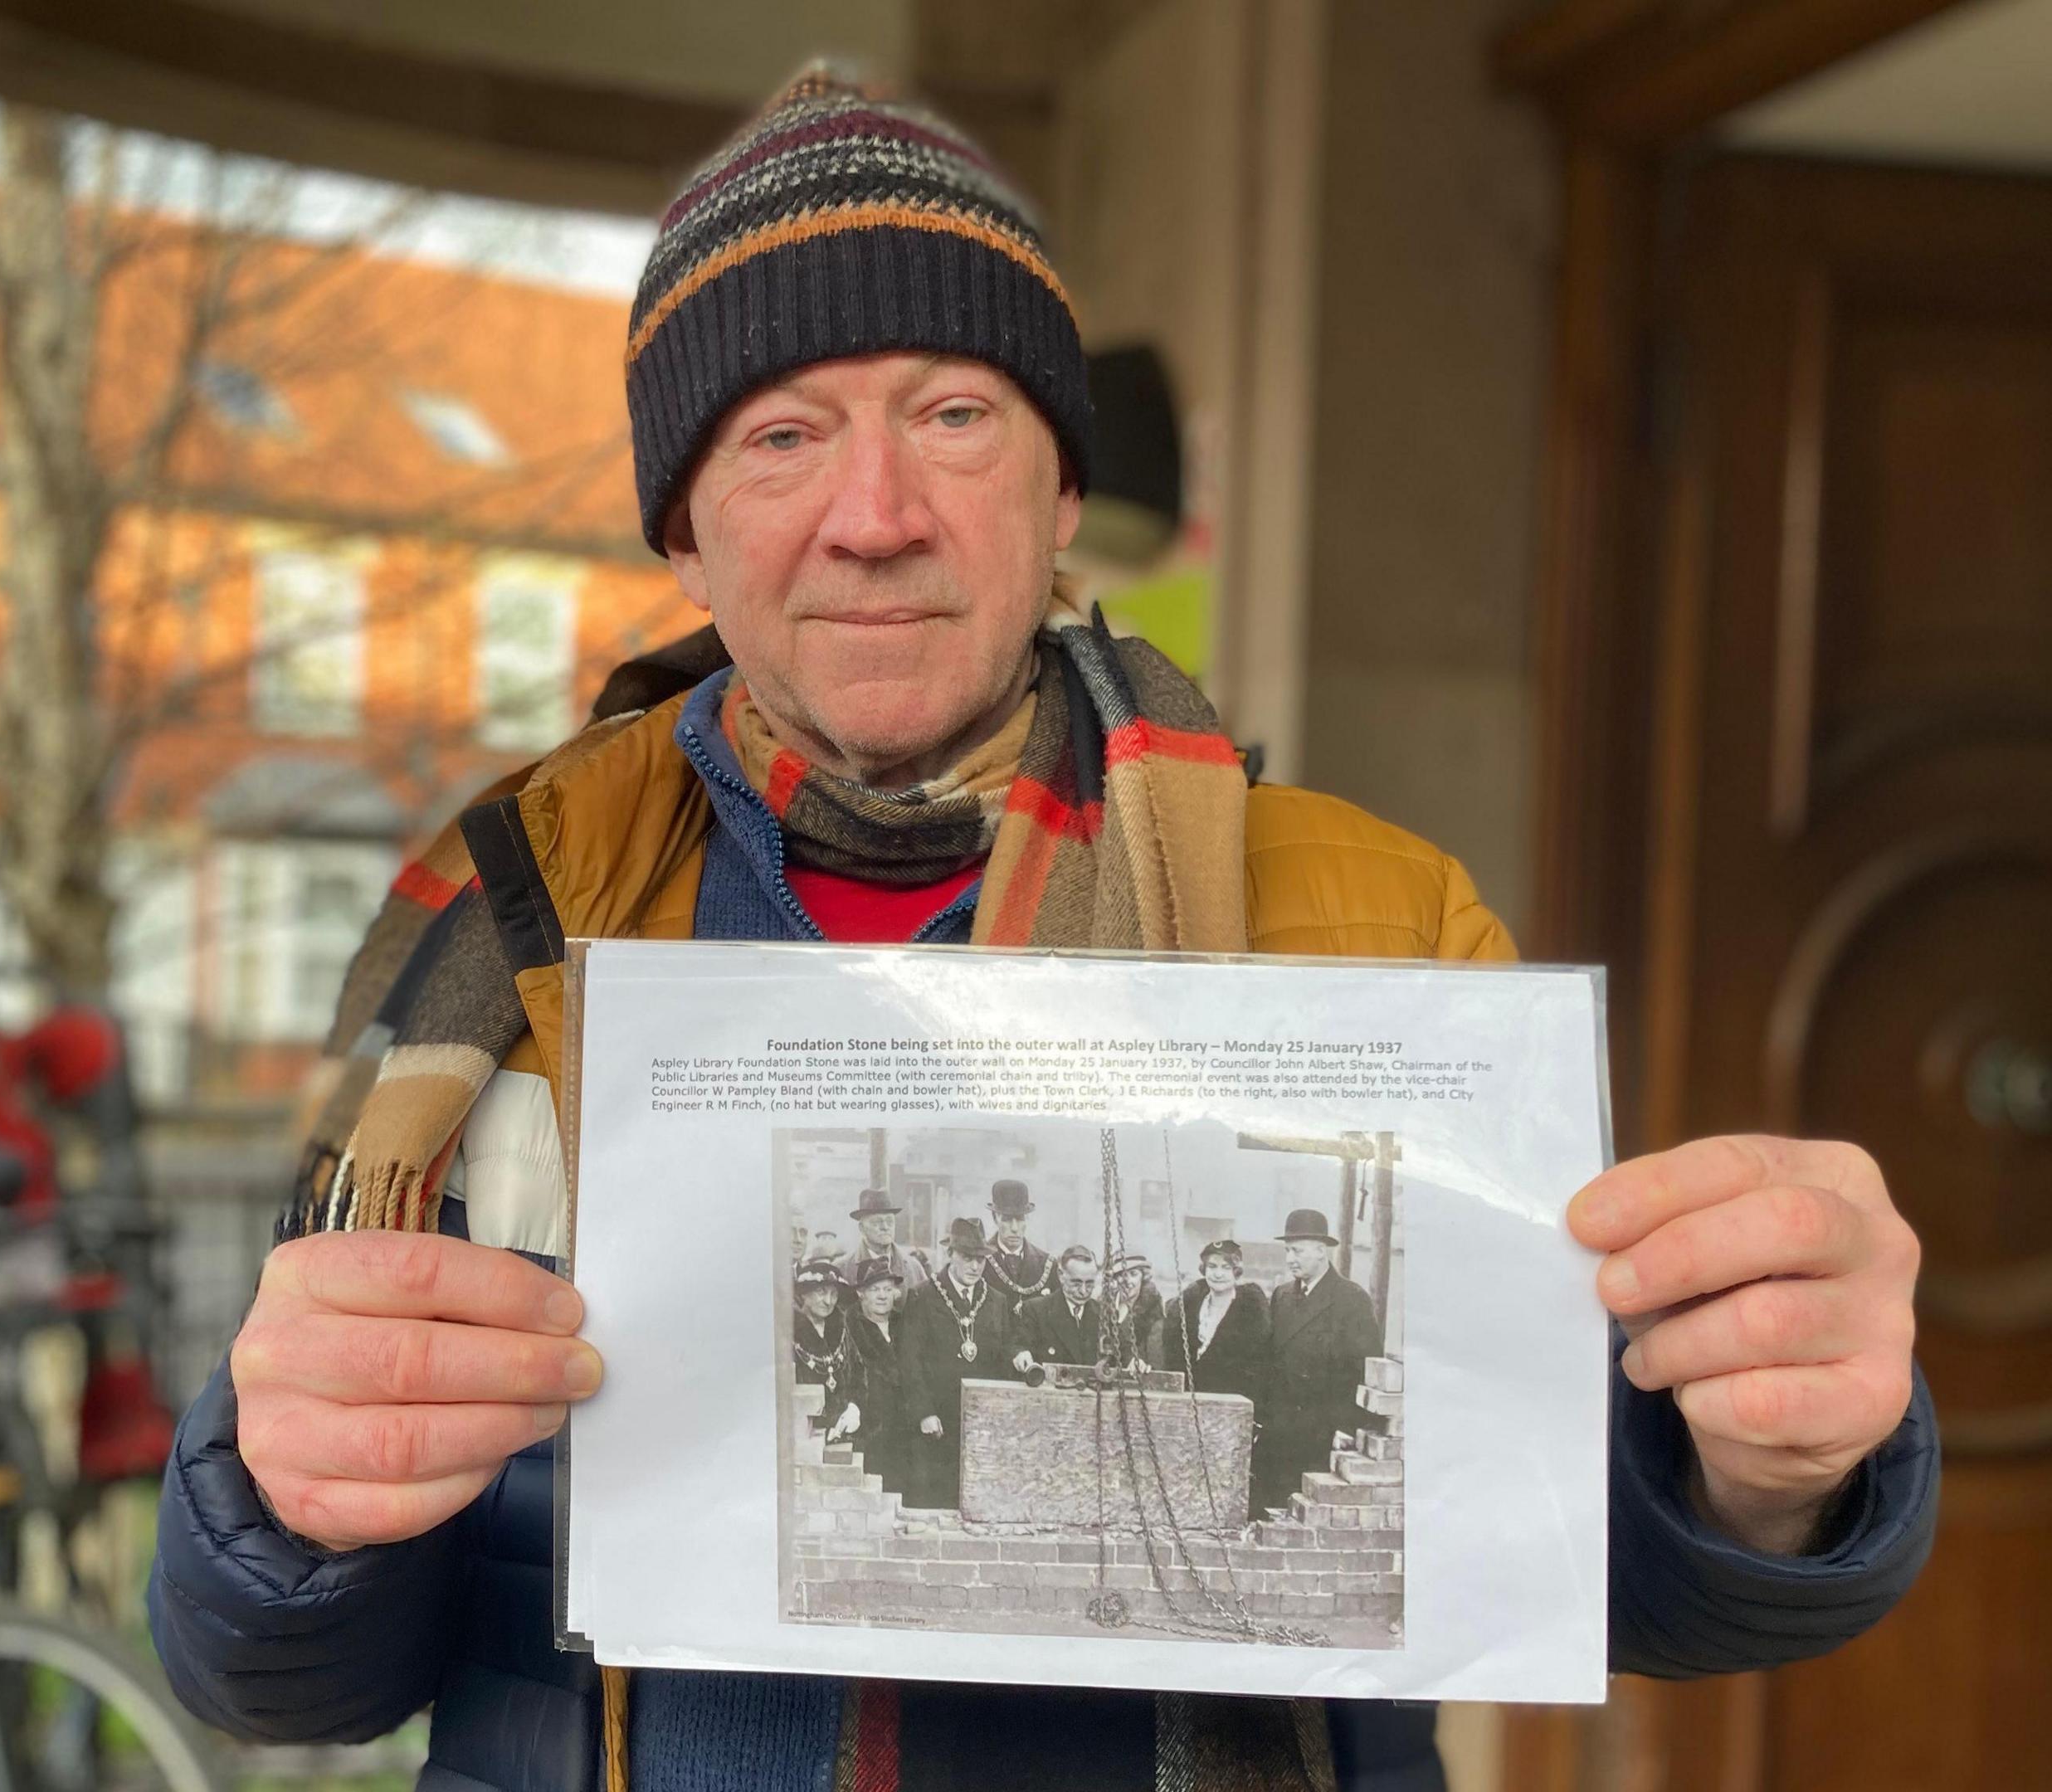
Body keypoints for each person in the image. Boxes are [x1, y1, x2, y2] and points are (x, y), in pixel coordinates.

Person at [158, 66, 1937, 1792]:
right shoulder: (488, 940)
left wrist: (1772, 1468)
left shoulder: (1380, 920)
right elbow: (286, 1680)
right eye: (781, 436)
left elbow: (1574, 1560)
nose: (875, 518)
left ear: (1062, 494)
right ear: (685, 535)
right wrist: (285, 1498)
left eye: (953, 417)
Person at [1254, 1210, 1384, 1518]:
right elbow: (1272, 1363)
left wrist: (1348, 1427)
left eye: (1297, 1250)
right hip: (1280, 1431)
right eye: (1287, 1250)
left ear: (1321, 1251)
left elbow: (1366, 1370)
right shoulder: (1282, 1296)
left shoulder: (1351, 1300)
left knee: (1308, 1519)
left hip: (1321, 1435)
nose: (1290, 1259)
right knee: (1270, 1512)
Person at [898, 1217, 1015, 1510]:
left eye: (980, 1259)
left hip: (980, 1424)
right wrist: (924, 1412)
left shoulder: (997, 1302)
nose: (975, 1267)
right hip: (936, 1424)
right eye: (967, 1258)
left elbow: (1002, 1358)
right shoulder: (923, 1296)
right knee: (936, 1502)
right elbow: (909, 1362)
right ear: (950, 1254)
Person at [1155, 1239, 1267, 1405]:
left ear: (1236, 1272)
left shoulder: (1250, 1312)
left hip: (1231, 1405)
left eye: (1226, 1268)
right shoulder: (1188, 1308)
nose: (1218, 1274)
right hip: (1188, 1403)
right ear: (1204, 1270)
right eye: (1212, 1267)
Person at [839, 1261, 915, 1486]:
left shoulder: (904, 1324)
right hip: (867, 1430)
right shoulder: (849, 1327)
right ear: (860, 1293)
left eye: (887, 1289)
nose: (882, 1296)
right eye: (874, 1289)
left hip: (903, 1430)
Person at [1011, 1244, 1110, 1372]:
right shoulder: (1036, 1310)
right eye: (1076, 1283)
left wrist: (1134, 1362)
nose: (1083, 1291)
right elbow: (1018, 1345)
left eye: (1090, 1284)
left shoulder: (1104, 1314)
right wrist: (1021, 1354)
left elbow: (1123, 1351)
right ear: (1061, 1276)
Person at [792, 1257, 853, 1424]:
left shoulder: (841, 1329)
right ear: (804, 1293)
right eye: (821, 1292)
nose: (828, 1301)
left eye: (834, 1294)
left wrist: (854, 1408)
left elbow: (858, 1374)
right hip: (806, 1427)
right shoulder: (790, 1334)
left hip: (845, 1427)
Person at [979, 1176, 1055, 1307]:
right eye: (1007, 1219)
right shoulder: (979, 1261)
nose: (1014, 1228)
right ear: (995, 1218)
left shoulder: (1047, 1264)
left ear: (1027, 1219)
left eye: (1020, 1219)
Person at [844, 1186, 933, 1295]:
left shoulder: (914, 1268)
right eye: (876, 1222)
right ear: (862, 1228)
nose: (885, 1227)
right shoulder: (844, 1269)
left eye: (890, 1221)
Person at [1104, 1251, 1165, 1370]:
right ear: (1116, 1278)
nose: (1128, 1281)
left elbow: (1155, 1359)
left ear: (1143, 1277)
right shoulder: (1103, 1306)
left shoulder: (1153, 1313)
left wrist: (1141, 1364)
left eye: (1133, 1274)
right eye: (1122, 1274)